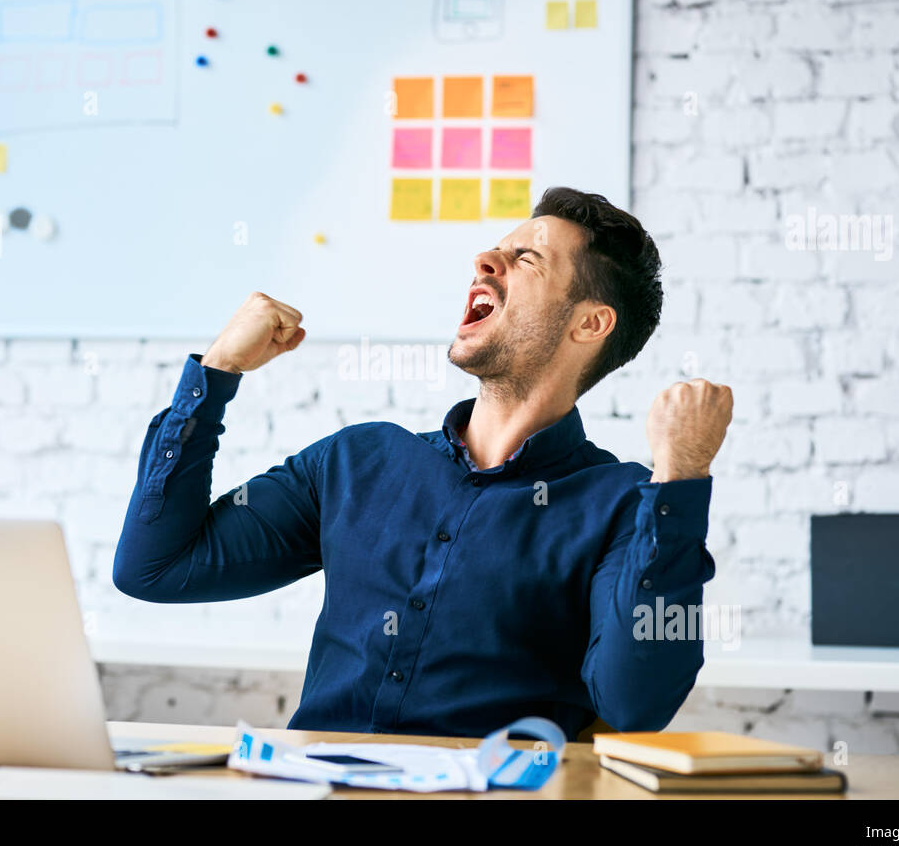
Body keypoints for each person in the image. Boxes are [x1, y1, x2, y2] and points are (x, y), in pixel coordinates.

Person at [113, 186, 733, 740]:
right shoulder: (358, 462)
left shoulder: (624, 503)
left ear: (591, 323)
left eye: (527, 259)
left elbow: (637, 703)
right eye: (497, 250)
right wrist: (217, 373)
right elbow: (156, 568)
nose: (486, 261)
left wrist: (679, 481)